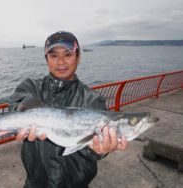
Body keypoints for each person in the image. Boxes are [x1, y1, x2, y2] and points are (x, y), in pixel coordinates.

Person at [9, 31, 127, 188]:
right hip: (35, 183)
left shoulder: (92, 99)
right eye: (54, 55)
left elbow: (92, 149)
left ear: (78, 57)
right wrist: (21, 112)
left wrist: (100, 149)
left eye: (68, 54)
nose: (61, 62)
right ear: (46, 59)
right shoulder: (30, 87)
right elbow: (17, 102)